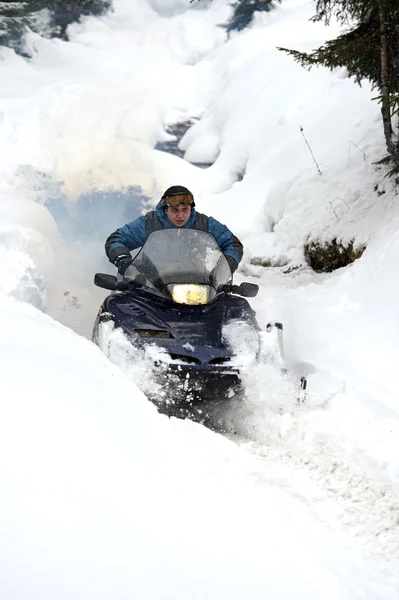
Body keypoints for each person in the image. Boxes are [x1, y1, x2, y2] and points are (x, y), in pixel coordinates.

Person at [105, 185, 243, 274]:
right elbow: (116, 239)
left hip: (197, 286)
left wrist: (224, 268)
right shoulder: (150, 223)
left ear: (191, 209)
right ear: (165, 210)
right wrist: (123, 260)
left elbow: (233, 244)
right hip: (150, 285)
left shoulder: (204, 223)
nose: (181, 215)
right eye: (175, 210)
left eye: (185, 210)